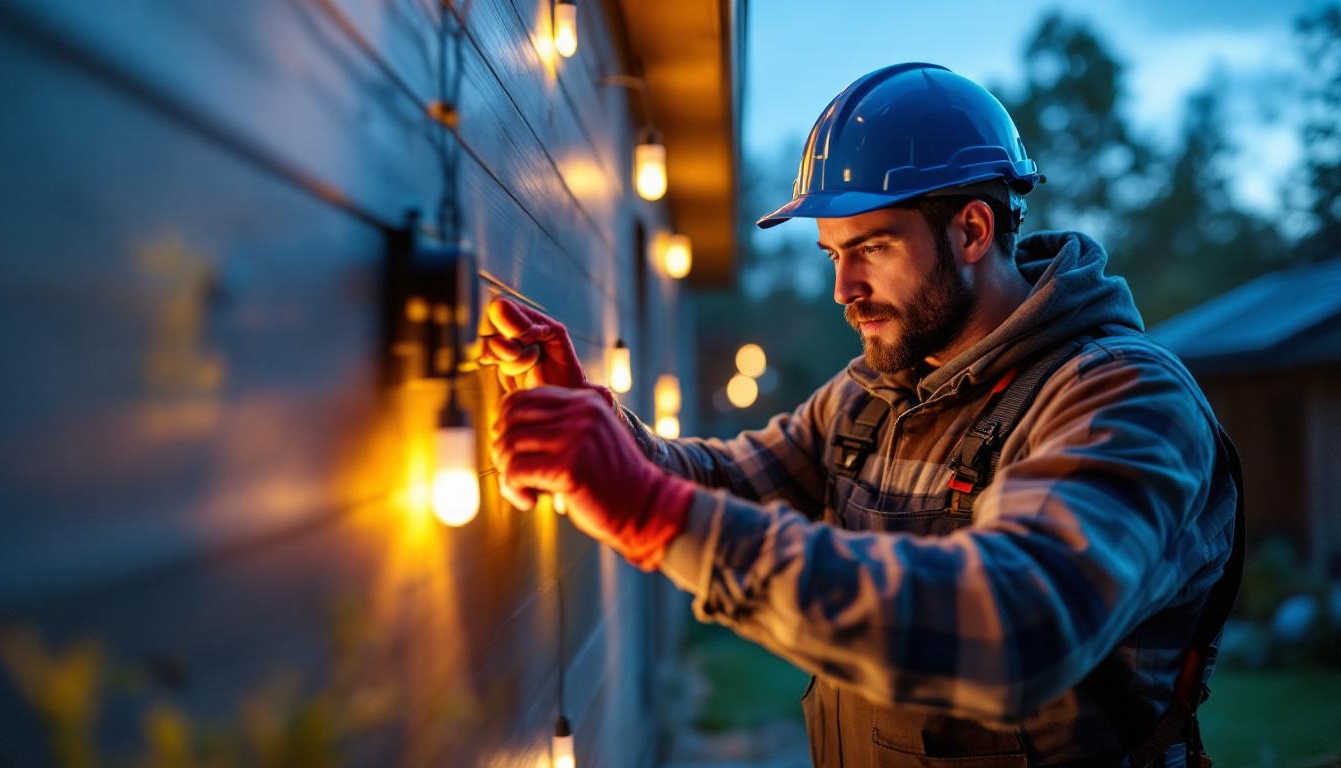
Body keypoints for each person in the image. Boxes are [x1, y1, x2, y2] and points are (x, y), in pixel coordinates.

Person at [483, 63, 1241, 767]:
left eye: (872, 247)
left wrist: (650, 512)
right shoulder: (872, 398)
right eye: (832, 253)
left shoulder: (1122, 398)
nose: (844, 288)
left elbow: (1012, 628)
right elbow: (726, 482)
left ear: (973, 230)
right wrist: (595, 421)